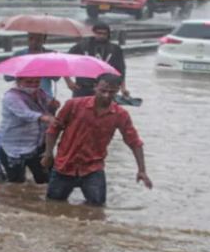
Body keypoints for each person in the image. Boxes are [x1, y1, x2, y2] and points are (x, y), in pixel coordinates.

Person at [40, 73, 152, 206]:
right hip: (64, 165)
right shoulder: (74, 105)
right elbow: (54, 130)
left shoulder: (120, 114)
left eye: (112, 92)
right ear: (95, 87)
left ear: (117, 91)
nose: (106, 95)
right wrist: (48, 154)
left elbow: (134, 142)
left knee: (98, 210)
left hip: (92, 168)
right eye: (103, 91)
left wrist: (142, 170)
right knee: (53, 206)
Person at [0, 76, 59, 184]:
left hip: (37, 144)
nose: (33, 84)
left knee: (46, 180)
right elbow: (25, 114)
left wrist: (53, 107)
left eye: (36, 81)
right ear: (19, 81)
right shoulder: (11, 97)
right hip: (13, 147)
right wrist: (46, 118)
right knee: (15, 185)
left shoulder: (41, 93)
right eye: (28, 81)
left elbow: (48, 111)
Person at [63, 22, 130, 99]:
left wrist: (123, 88)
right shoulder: (81, 47)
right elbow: (65, 62)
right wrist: (68, 82)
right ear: (92, 33)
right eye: (98, 33)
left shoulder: (115, 49)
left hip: (106, 89)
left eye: (105, 34)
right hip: (83, 88)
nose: (102, 36)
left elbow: (121, 70)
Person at [3, 32, 59, 99]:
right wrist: (26, 70)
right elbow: (7, 77)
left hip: (45, 97)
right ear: (27, 39)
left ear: (44, 40)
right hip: (23, 97)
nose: (34, 42)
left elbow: (57, 77)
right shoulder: (19, 55)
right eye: (31, 39)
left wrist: (44, 68)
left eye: (38, 40)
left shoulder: (50, 55)